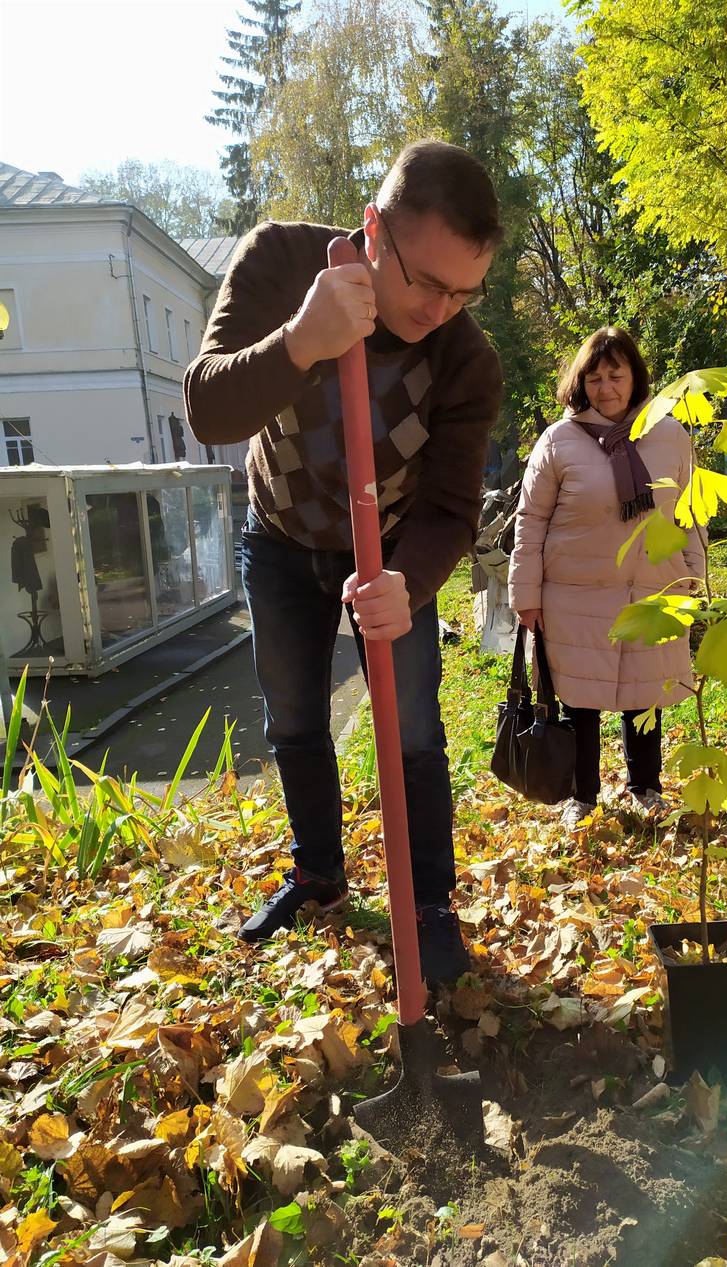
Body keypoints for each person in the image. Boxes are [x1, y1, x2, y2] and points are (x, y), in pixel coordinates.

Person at [184, 140, 503, 984]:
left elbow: (450, 508)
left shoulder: (466, 359)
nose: (442, 309)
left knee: (415, 727)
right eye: (428, 282)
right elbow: (208, 406)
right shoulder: (280, 261)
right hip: (282, 536)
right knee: (293, 716)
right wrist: (300, 341)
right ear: (373, 228)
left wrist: (411, 580)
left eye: (466, 291)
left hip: (389, 555)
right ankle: (318, 873)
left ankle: (430, 902)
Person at [508, 327, 703, 831]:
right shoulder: (560, 440)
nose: (605, 387)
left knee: (645, 693)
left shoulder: (670, 435)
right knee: (580, 696)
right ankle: (583, 793)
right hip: (573, 594)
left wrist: (694, 575)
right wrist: (525, 594)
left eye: (616, 375)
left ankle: (646, 785)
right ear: (581, 382)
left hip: (653, 588)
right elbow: (530, 520)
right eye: (594, 377)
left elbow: (691, 512)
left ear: (636, 377)